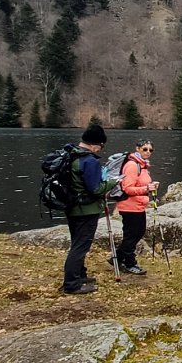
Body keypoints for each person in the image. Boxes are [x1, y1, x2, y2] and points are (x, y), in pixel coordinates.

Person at [62, 125, 117, 295]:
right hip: (86, 210)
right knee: (80, 246)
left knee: (76, 243)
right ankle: (72, 284)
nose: (100, 149)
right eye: (101, 146)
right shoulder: (89, 161)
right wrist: (113, 182)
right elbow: (96, 189)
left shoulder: (71, 155)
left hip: (72, 207)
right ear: (94, 144)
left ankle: (80, 275)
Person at [114, 140, 160, 276]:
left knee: (139, 232)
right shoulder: (132, 165)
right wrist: (146, 188)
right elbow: (127, 188)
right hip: (129, 206)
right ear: (138, 149)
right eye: (145, 149)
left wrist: (151, 186)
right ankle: (130, 263)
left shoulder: (143, 165)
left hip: (139, 205)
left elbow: (141, 184)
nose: (148, 152)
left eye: (150, 150)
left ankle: (117, 258)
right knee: (131, 235)